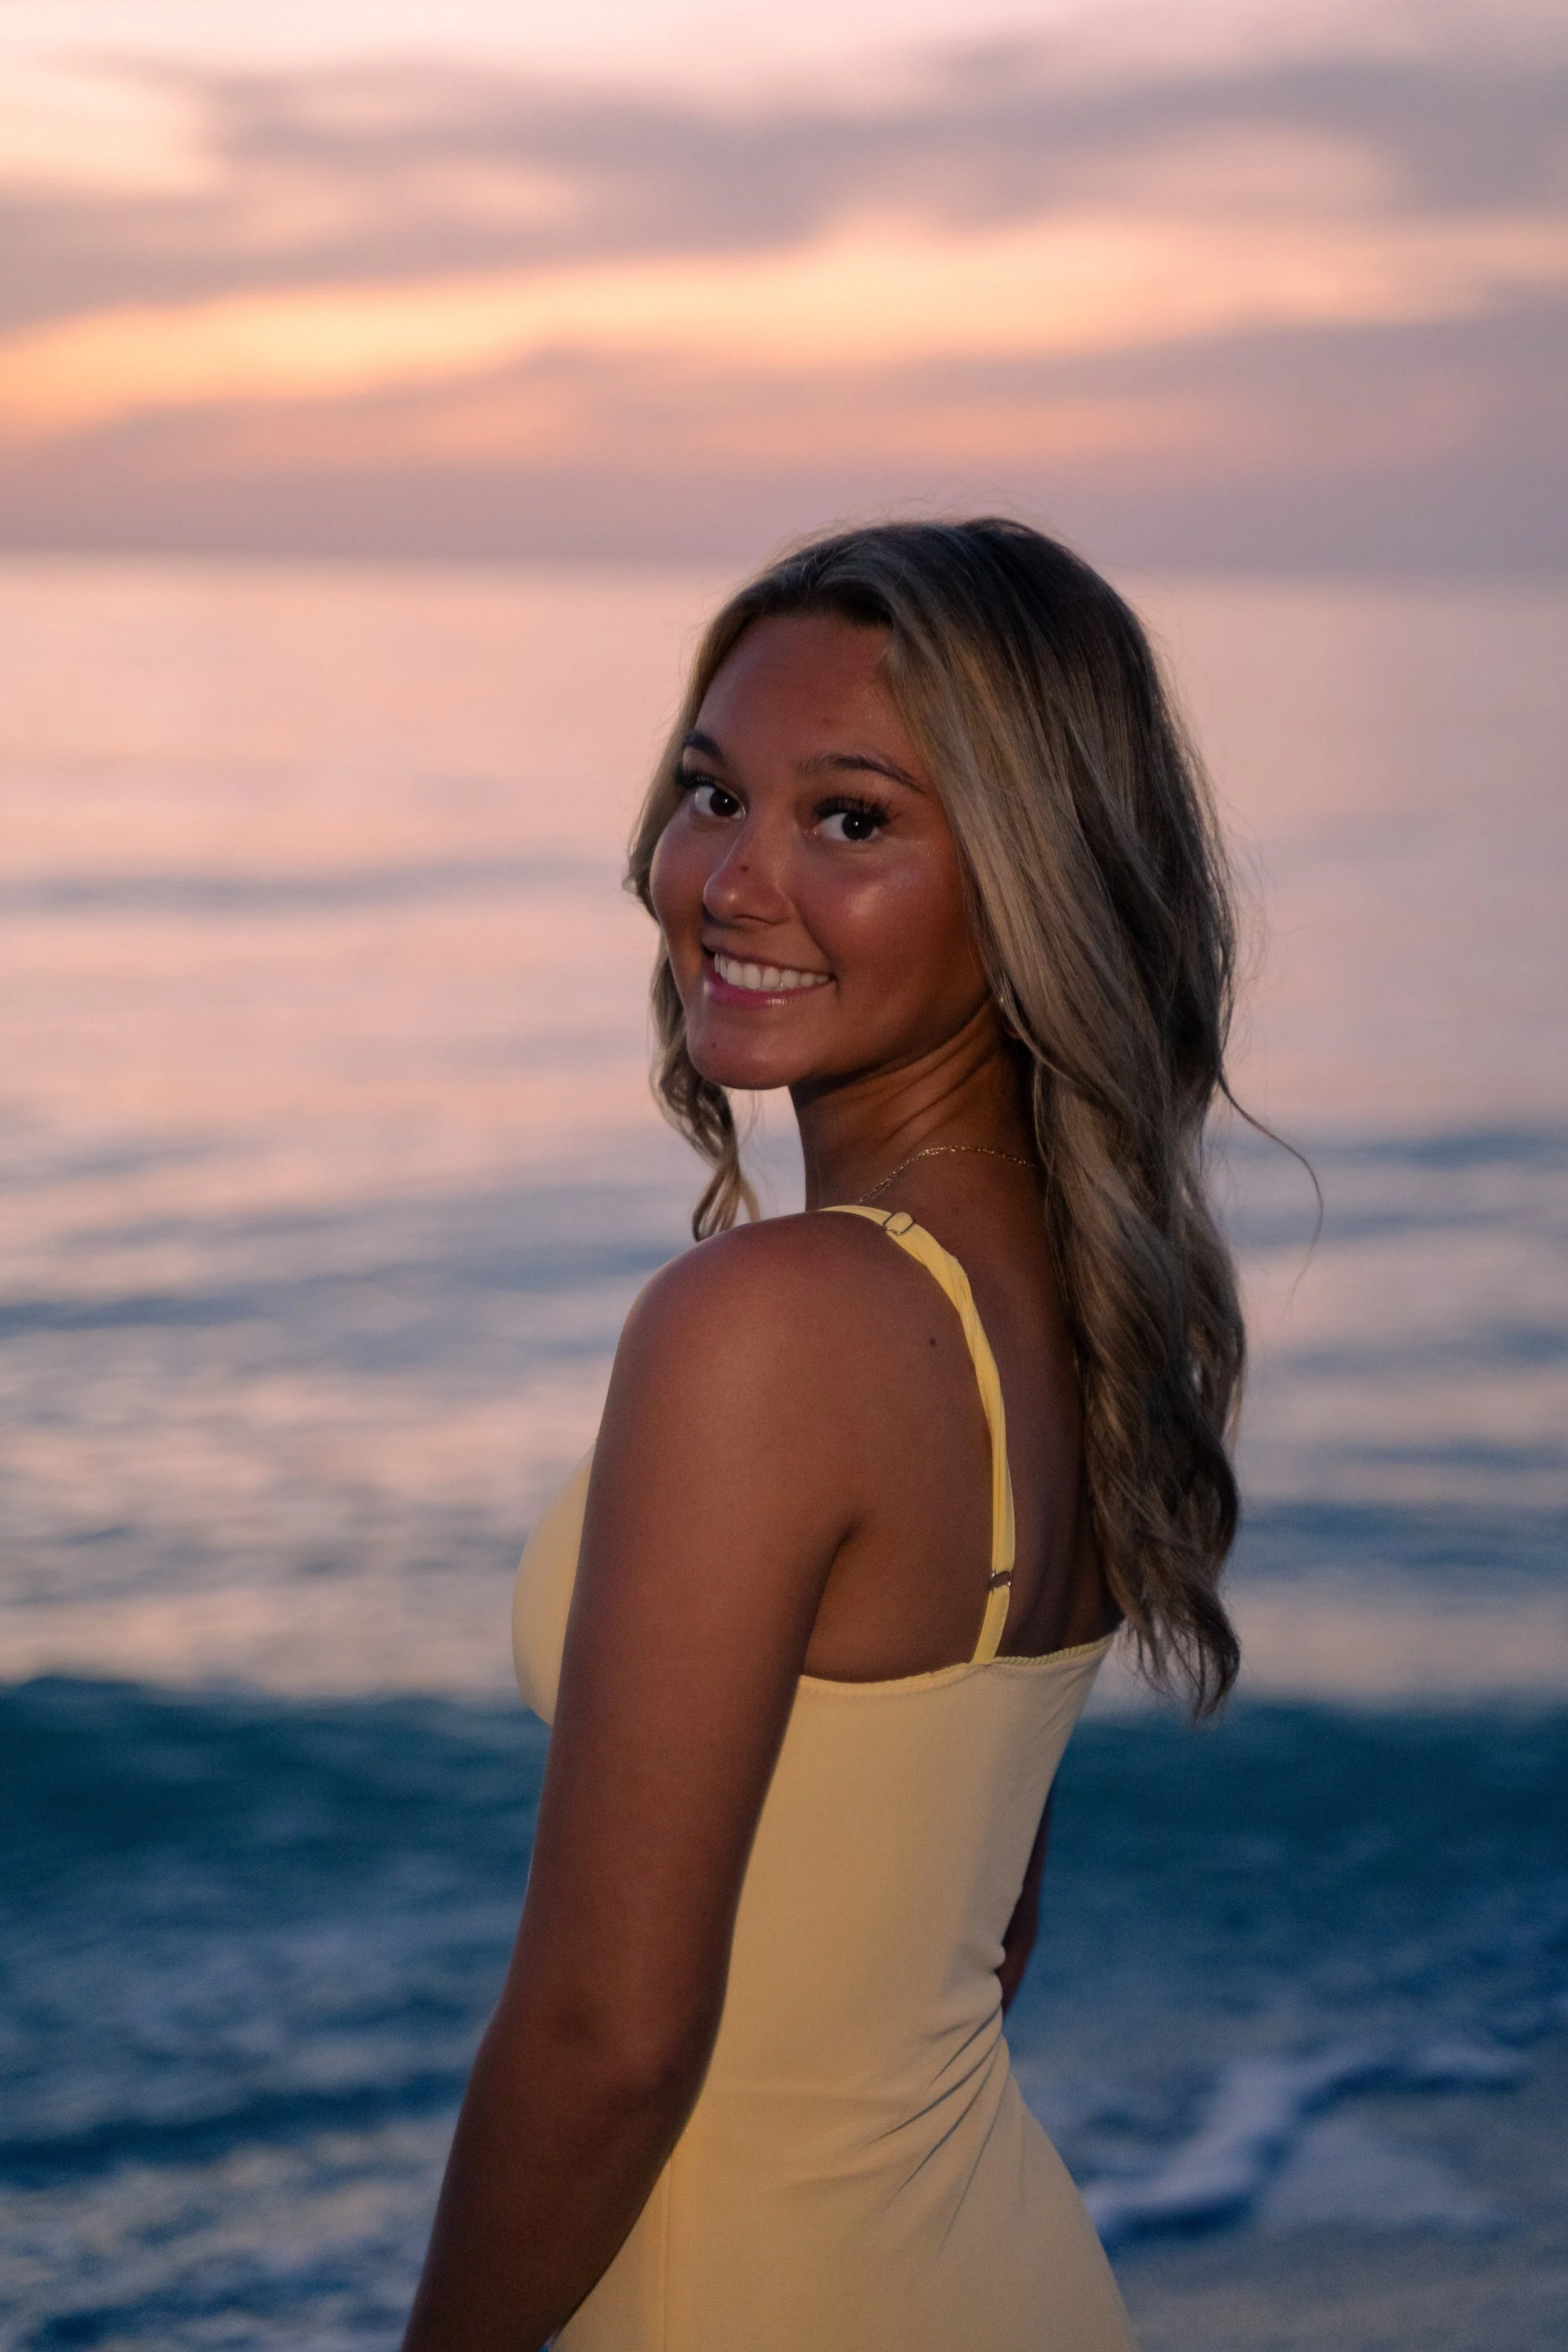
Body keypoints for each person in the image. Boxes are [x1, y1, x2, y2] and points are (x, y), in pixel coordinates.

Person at [403, 519, 1246, 2350]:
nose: (729, 875)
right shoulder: (1077, 1304)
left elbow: (606, 2042)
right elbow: (972, 1934)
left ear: (1026, 873)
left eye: (850, 818)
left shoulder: (771, 1326)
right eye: (711, 792)